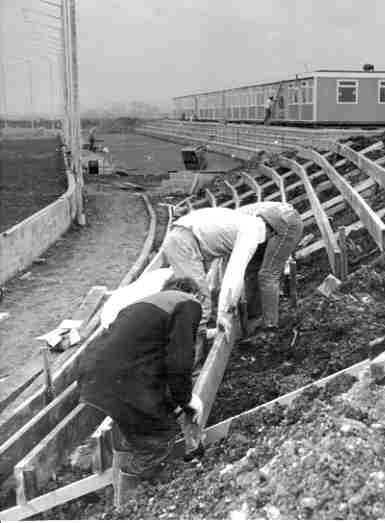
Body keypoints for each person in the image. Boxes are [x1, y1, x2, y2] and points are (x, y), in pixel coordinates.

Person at [77, 277, 204, 477]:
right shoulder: (187, 303)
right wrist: (187, 399)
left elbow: (154, 360)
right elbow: (180, 360)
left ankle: (134, 457)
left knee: (147, 423)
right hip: (120, 379)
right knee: (161, 436)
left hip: (93, 374)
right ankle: (134, 486)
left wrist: (172, 401)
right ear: (194, 294)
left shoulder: (146, 306)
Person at [162, 201, 303, 343]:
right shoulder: (251, 232)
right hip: (184, 245)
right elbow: (234, 274)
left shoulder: (241, 219)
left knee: (195, 298)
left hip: (181, 237)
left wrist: (217, 295)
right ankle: (194, 356)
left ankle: (187, 337)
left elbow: (222, 258)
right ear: (270, 232)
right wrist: (223, 314)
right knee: (200, 303)